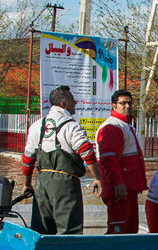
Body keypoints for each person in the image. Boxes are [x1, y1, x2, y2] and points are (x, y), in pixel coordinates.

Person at [22, 85, 101, 235]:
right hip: (65, 184)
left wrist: (26, 184)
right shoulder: (71, 126)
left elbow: (27, 160)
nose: (76, 102)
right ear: (63, 104)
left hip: (41, 183)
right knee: (69, 232)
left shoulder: (36, 126)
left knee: (41, 231)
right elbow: (87, 153)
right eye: (72, 99)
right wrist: (97, 177)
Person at [95, 89, 148, 234]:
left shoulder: (126, 126)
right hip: (119, 190)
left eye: (130, 103)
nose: (127, 106)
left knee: (129, 231)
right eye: (122, 103)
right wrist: (117, 183)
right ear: (114, 106)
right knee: (117, 231)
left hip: (128, 189)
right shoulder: (112, 127)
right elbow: (109, 160)